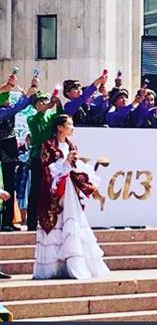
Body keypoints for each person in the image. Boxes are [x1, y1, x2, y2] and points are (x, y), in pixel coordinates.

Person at [33, 114, 109, 280]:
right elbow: (48, 168)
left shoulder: (71, 145)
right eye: (69, 124)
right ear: (60, 127)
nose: (72, 127)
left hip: (69, 189)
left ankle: (75, 264)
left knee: (72, 221)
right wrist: (65, 163)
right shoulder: (48, 145)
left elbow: (75, 166)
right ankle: (53, 267)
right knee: (56, 223)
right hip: (54, 190)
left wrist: (84, 173)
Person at [0, 79, 36, 231]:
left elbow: (22, 105)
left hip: (9, 149)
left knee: (10, 185)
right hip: (4, 148)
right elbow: (15, 108)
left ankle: (8, 221)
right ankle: (5, 222)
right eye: (6, 97)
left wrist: (32, 87)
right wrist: (27, 95)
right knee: (5, 186)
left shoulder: (8, 108)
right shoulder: (2, 111)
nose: (9, 99)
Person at [26, 91, 61, 231]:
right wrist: (48, 106)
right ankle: (31, 222)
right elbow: (38, 132)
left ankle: (48, 220)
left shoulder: (51, 117)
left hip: (51, 157)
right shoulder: (31, 119)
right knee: (35, 189)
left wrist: (58, 104)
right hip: (37, 157)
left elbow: (61, 118)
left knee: (51, 189)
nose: (43, 103)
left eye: (45, 100)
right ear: (35, 106)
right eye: (40, 101)